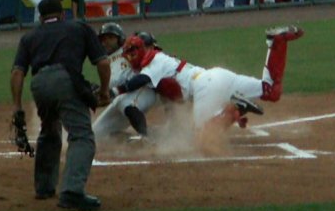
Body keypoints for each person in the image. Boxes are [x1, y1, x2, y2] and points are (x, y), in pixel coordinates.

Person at [113, 25, 303, 150]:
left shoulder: (155, 61)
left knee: (202, 142)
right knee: (271, 90)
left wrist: (117, 90)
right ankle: (275, 41)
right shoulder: (164, 62)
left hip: (206, 85)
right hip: (218, 77)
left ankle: (236, 107)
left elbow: (141, 80)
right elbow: (175, 107)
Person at [10, 0, 111, 210]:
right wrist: (103, 91)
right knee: (82, 136)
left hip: (39, 85)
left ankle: (44, 187)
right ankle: (72, 191)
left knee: (49, 130)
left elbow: (18, 73)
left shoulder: (30, 36)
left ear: (40, 17)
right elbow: (102, 62)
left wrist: (17, 107)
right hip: (66, 80)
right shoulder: (79, 27)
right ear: (63, 14)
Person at [92, 25, 157, 141]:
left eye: (110, 38)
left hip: (143, 90)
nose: (106, 42)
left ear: (120, 38)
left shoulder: (128, 50)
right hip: (120, 97)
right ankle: (137, 139)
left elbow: (147, 45)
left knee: (124, 101)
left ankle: (145, 137)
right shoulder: (104, 61)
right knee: (95, 134)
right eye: (103, 39)